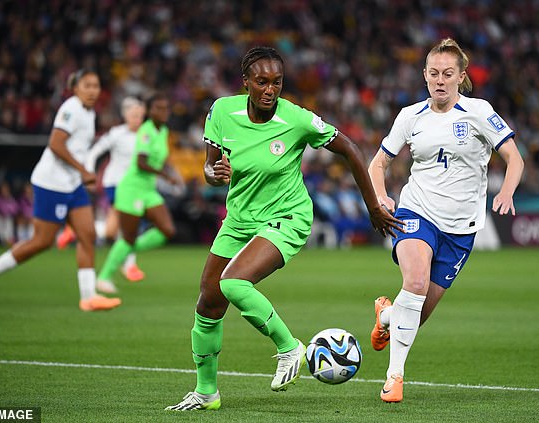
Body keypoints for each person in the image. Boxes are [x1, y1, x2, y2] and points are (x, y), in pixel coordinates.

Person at [166, 46, 401, 411]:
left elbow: (351, 149)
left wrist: (373, 205)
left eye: (277, 82)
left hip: (287, 218)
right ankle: (206, 392)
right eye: (261, 81)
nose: (270, 89)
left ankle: (290, 347)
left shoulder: (297, 120)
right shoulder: (221, 112)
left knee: (233, 283)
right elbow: (210, 170)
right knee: (208, 303)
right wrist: (214, 174)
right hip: (239, 219)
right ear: (246, 82)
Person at [368, 38, 524, 403]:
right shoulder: (410, 116)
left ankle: (388, 315)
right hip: (415, 212)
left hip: (460, 229)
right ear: (425, 76)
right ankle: (394, 378)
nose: (440, 80)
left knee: (416, 313)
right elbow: (378, 164)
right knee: (416, 281)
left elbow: (514, 159)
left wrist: (506, 192)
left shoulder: (480, 112)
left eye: (448, 74)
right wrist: (380, 195)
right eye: (434, 73)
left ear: (461, 77)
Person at [0, 69, 121, 312]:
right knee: (42, 241)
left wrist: (82, 173)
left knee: (87, 234)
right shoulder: (71, 108)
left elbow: (77, 148)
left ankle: (88, 296)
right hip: (52, 183)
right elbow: (55, 144)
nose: (93, 90)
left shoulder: (89, 112)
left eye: (96, 86)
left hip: (72, 184)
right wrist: (83, 170)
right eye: (88, 85)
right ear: (76, 88)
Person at [95, 92, 180, 294]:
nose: (163, 112)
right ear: (149, 112)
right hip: (131, 189)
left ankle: (125, 251)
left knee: (167, 231)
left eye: (165, 107)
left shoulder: (164, 130)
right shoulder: (146, 131)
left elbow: (161, 157)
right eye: (158, 108)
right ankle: (104, 277)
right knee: (128, 236)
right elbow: (142, 163)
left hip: (148, 190)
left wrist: (170, 170)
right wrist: (165, 176)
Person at [58, 96, 148, 283]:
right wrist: (89, 172)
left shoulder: (146, 135)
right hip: (115, 184)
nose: (137, 119)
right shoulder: (116, 133)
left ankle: (74, 230)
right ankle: (129, 264)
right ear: (125, 116)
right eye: (133, 115)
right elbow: (95, 151)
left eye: (140, 115)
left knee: (111, 231)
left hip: (134, 186)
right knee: (128, 222)